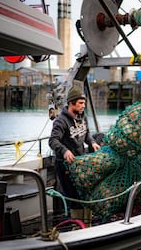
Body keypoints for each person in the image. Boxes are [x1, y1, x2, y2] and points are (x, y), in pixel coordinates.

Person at [49, 86, 101, 225]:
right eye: (80, 103)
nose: (83, 106)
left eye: (84, 103)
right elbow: (53, 141)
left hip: (81, 162)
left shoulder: (83, 117)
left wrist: (92, 143)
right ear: (71, 103)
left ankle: (87, 225)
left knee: (86, 193)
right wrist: (65, 151)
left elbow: (87, 134)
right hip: (65, 165)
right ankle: (77, 227)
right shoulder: (61, 121)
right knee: (74, 197)